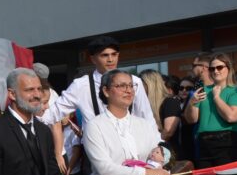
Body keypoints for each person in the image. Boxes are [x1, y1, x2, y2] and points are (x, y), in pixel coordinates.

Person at [50, 37, 157, 166]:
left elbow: (147, 118)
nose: (110, 59)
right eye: (105, 55)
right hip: (95, 153)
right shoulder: (81, 85)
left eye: (114, 54)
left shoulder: (134, 82)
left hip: (132, 152)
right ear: (93, 59)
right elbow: (52, 114)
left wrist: (158, 151)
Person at [141, 69, 180, 150]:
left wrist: (152, 147)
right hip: (151, 153)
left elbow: (168, 132)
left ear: (150, 85)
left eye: (141, 84)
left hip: (168, 154)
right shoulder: (144, 104)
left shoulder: (170, 102)